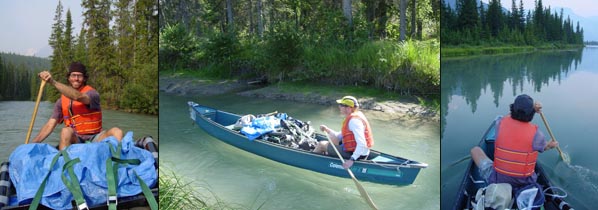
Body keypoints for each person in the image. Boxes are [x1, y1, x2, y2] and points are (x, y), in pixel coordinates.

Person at [470, 94, 559, 189]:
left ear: (512, 109)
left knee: (475, 150)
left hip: (498, 180)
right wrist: (550, 145)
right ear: (532, 114)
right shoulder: (537, 134)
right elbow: (544, 147)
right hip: (525, 182)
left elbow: (507, 117)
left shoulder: (500, 123)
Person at [31, 62, 123, 150]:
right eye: (73, 75)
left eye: (79, 76)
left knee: (117, 131)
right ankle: (65, 162)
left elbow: (78, 96)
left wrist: (53, 82)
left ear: (84, 78)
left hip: (95, 137)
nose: (76, 78)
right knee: (65, 131)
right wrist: (32, 143)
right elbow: (50, 125)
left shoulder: (93, 94)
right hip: (76, 138)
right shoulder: (61, 101)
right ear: (69, 78)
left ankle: (118, 160)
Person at [313, 96, 374, 169]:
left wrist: (352, 160)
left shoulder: (354, 121)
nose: (339, 107)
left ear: (348, 108)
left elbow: (362, 143)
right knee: (333, 140)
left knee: (321, 144)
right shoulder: (353, 118)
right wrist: (327, 130)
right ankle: (327, 155)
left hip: (357, 155)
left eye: (341, 105)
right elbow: (338, 136)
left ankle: (312, 163)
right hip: (360, 152)